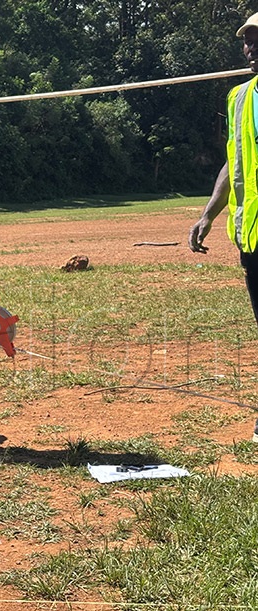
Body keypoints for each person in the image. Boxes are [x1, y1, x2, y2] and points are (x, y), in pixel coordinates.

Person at [189, 13, 258, 441]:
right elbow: (233, 161)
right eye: (247, 41)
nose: (250, 49)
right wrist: (208, 215)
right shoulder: (239, 98)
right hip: (252, 236)